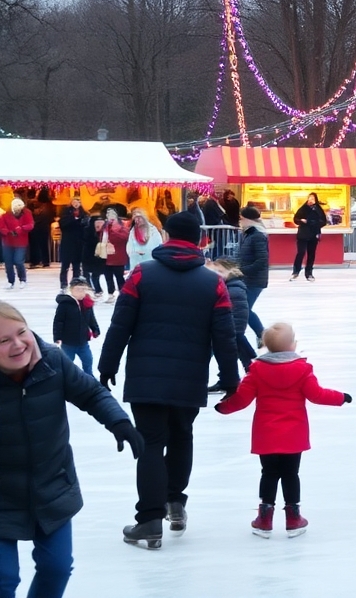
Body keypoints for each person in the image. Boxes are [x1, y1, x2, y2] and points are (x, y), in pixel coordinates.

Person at [98, 212, 240, 548]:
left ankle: (149, 520)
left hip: (146, 377)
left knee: (150, 443)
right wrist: (230, 378)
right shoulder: (213, 283)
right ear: (198, 240)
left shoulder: (141, 274)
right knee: (181, 437)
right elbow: (225, 335)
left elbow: (121, 323)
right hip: (189, 377)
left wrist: (107, 365)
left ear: (166, 236)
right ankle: (175, 501)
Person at [0, 301, 142, 592]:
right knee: (3, 578)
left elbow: (91, 393)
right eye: (3, 341)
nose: (18, 344)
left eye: (22, 332)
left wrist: (119, 422)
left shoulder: (52, 361)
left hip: (52, 486)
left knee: (57, 567)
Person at [214, 322, 348, 539]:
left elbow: (242, 399)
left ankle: (264, 518)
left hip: (266, 434)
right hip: (294, 435)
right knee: (291, 474)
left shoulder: (257, 370)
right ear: (292, 345)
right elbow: (317, 394)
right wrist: (340, 397)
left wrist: (224, 407)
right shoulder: (302, 369)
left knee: (268, 473)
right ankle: (293, 518)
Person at [206, 258, 255, 390]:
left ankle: (251, 377)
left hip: (233, 328)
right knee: (234, 354)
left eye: (220, 271)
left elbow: (237, 312)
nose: (217, 274)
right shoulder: (230, 285)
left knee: (236, 354)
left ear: (230, 271)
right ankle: (229, 379)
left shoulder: (234, 288)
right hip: (230, 328)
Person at [52, 277, 100, 375]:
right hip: (68, 342)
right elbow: (58, 321)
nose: (81, 292)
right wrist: (57, 337)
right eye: (78, 289)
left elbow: (91, 318)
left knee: (88, 360)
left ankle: (89, 378)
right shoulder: (65, 304)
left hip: (83, 341)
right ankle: (66, 379)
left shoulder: (87, 303)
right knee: (67, 364)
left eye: (83, 289)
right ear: (71, 290)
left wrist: (95, 328)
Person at [235, 206, 269, 345]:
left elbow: (262, 261)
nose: (240, 221)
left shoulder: (257, 235)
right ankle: (261, 335)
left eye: (241, 218)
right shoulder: (247, 234)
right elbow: (242, 256)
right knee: (244, 308)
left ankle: (261, 334)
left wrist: (242, 271)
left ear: (248, 219)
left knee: (245, 309)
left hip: (255, 280)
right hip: (247, 278)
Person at [289, 193, 324, 282]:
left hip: (313, 234)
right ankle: (296, 271)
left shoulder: (318, 209)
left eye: (313, 199)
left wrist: (311, 222)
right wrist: (301, 221)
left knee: (311, 254)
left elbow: (323, 221)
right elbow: (296, 219)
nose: (311, 200)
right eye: (309, 198)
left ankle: (309, 273)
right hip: (303, 235)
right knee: (300, 252)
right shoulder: (303, 208)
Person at [1, 199, 34, 290]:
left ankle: (22, 279)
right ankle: (10, 281)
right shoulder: (5, 215)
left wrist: (21, 228)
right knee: (8, 263)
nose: (18, 211)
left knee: (19, 261)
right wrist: (8, 232)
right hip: (8, 242)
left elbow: (30, 225)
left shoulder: (27, 213)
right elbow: (1, 227)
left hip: (21, 242)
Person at [58, 197, 89, 290]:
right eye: (75, 201)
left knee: (76, 266)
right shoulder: (65, 213)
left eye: (78, 201)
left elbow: (86, 227)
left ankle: (75, 283)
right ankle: (63, 284)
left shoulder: (84, 214)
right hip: (67, 242)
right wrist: (74, 219)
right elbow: (63, 224)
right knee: (65, 266)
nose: (76, 203)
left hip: (78, 243)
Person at [101, 209, 130, 303]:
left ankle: (124, 294)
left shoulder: (123, 227)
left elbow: (124, 238)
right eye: (108, 214)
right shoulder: (105, 227)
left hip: (118, 256)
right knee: (108, 277)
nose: (110, 216)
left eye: (112, 214)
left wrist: (112, 231)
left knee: (119, 277)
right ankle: (110, 294)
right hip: (106, 255)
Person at [125, 208, 163, 273]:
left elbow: (159, 244)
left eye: (139, 218)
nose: (137, 220)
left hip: (150, 261)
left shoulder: (153, 230)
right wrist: (134, 253)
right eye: (136, 218)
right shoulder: (132, 232)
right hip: (136, 263)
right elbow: (129, 247)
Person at [82, 217, 106, 299]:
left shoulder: (104, 232)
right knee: (86, 273)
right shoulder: (87, 230)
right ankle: (89, 288)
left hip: (99, 255)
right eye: (97, 222)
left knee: (96, 274)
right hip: (88, 254)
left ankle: (97, 289)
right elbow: (85, 240)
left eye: (101, 222)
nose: (99, 224)